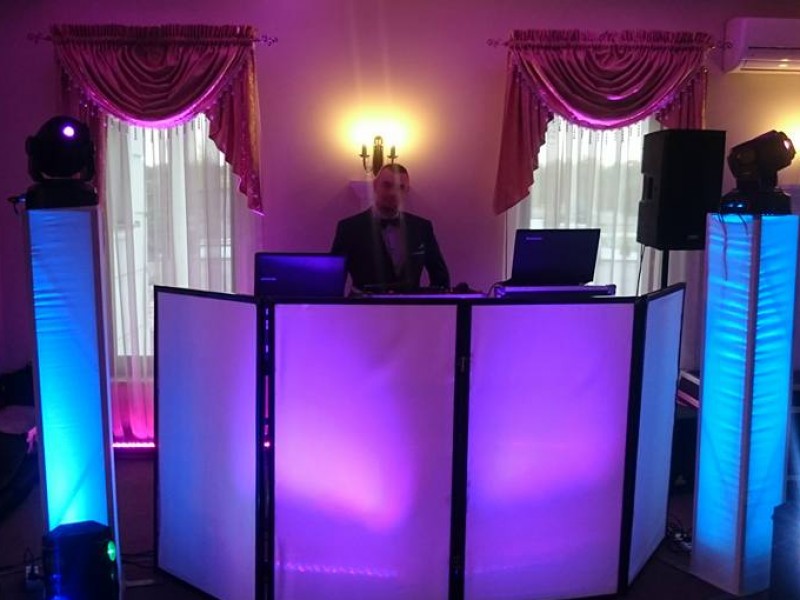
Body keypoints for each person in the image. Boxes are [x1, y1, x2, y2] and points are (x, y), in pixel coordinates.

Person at [331, 163, 450, 292]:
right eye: (387, 185)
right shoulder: (349, 228)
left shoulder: (422, 228)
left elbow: (440, 278)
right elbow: (334, 279)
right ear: (375, 185)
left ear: (407, 191)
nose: (393, 193)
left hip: (410, 305)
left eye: (400, 187)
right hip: (364, 304)